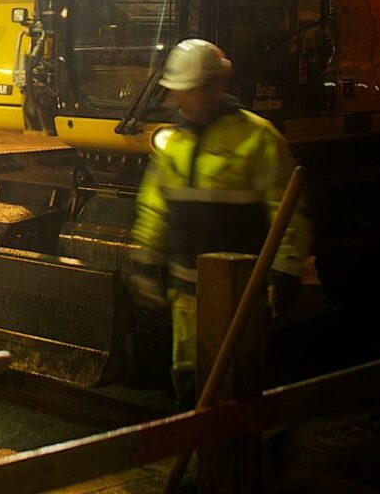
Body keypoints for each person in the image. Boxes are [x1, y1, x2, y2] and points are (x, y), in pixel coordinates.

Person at [128, 38, 309, 410]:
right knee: (190, 377)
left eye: (188, 92)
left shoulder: (258, 138)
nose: (180, 100)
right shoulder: (173, 141)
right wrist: (146, 259)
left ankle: (250, 459)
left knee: (239, 381)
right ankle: (203, 455)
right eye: (177, 92)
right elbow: (155, 206)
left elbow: (286, 210)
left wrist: (285, 271)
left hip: (238, 292)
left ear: (216, 86)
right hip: (185, 290)